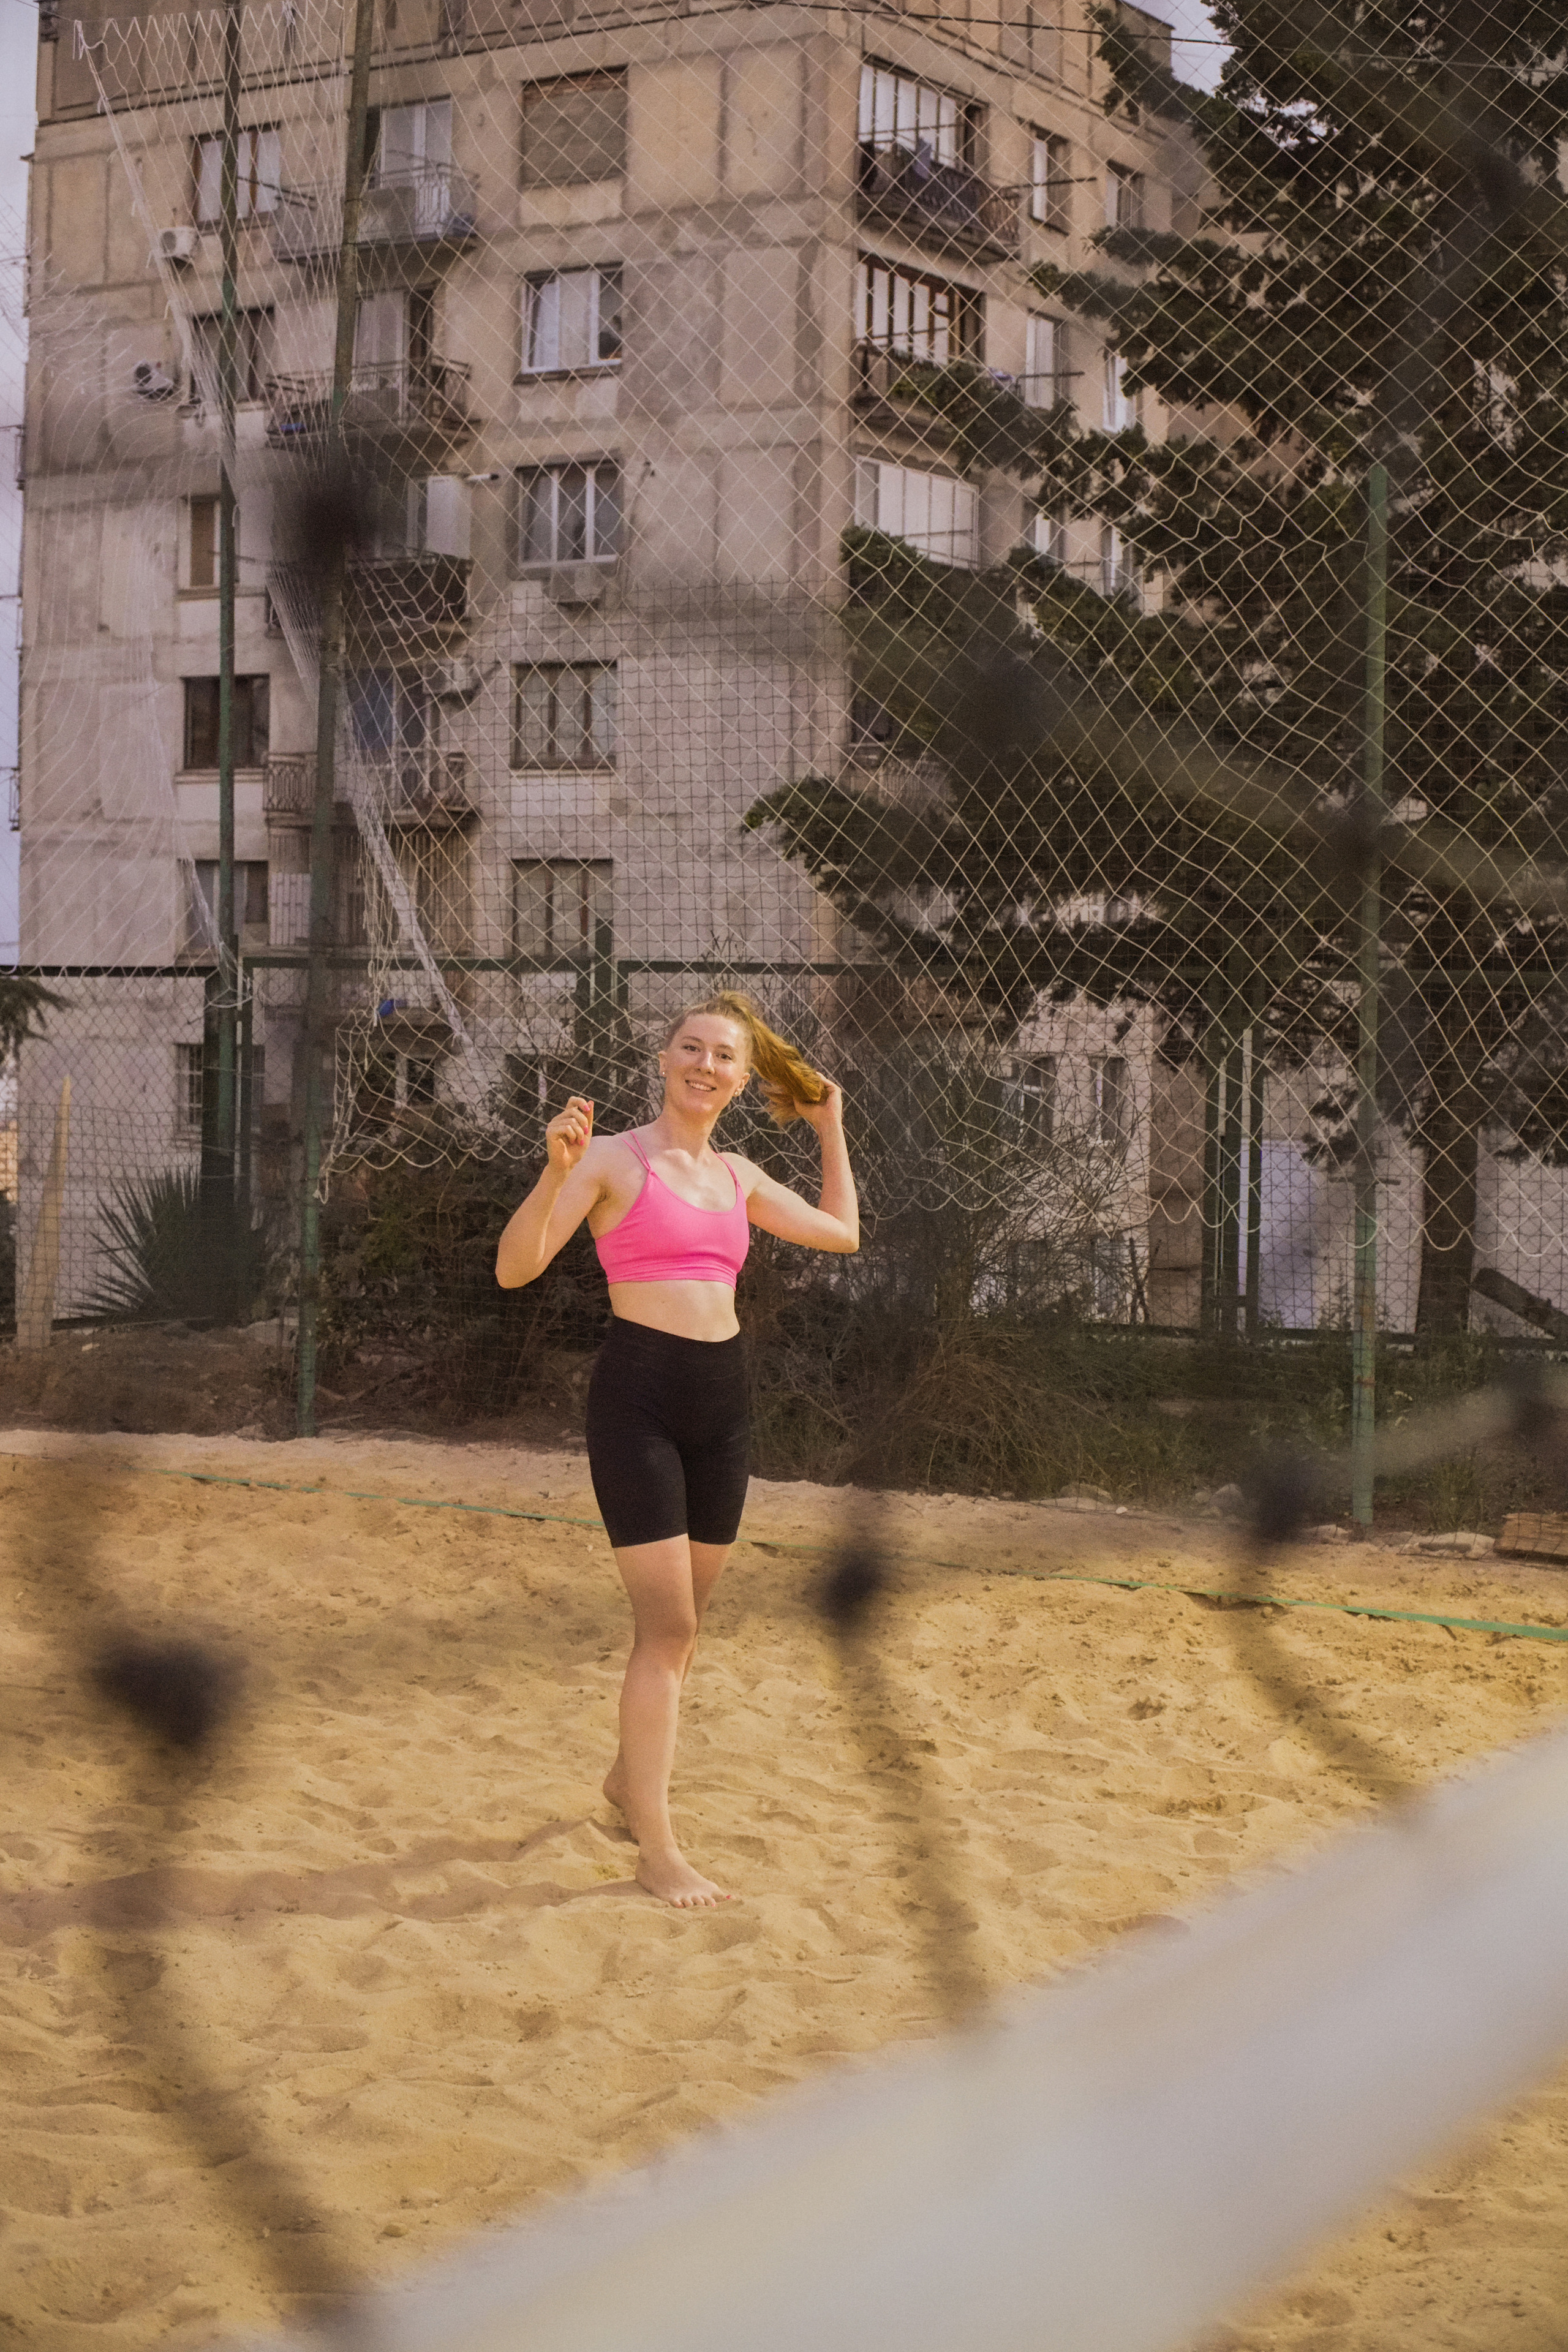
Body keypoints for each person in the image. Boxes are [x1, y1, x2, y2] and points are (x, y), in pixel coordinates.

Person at [495, 992, 859, 1907]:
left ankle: (626, 1783)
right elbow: (515, 1268)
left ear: (742, 1078)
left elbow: (844, 1233)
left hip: (723, 1409)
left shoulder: (737, 1173)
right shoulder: (612, 1159)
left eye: (723, 1056)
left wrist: (830, 1130)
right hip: (640, 1403)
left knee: (681, 1633)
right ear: (663, 1060)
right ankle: (656, 1848)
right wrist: (553, 1174)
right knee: (669, 1634)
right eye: (689, 1047)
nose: (704, 1064)